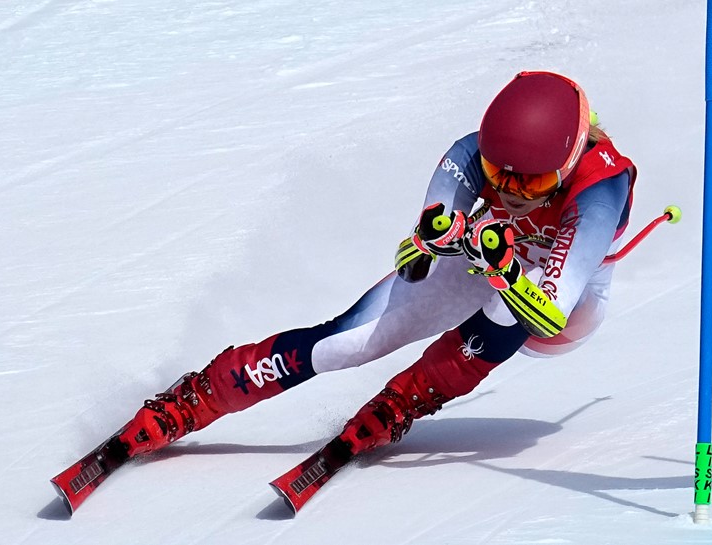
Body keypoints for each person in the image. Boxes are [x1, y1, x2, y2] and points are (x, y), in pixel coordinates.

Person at [111, 70, 637, 461]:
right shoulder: (473, 152)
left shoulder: (601, 187)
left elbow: (549, 314)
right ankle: (199, 397)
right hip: (488, 260)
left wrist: (501, 260)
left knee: (508, 312)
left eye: (534, 184)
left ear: (567, 163)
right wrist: (430, 242)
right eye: (500, 174)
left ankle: (405, 400)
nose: (511, 191)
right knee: (347, 341)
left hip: (563, 310)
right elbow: (416, 263)